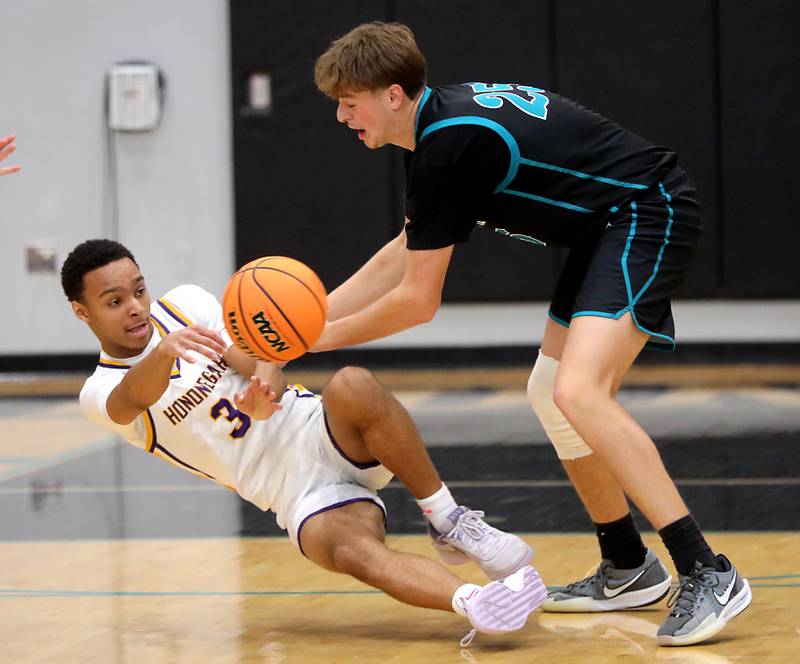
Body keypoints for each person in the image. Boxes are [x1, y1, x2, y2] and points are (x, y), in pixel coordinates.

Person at [311, 22, 750, 646]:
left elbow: (416, 301)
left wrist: (311, 340)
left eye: (348, 101)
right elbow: (401, 254)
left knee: (580, 391)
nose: (339, 116)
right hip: (605, 228)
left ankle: (707, 569)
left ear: (392, 95)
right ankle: (628, 566)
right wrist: (310, 318)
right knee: (551, 390)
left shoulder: (447, 144)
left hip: (646, 210)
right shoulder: (437, 130)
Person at [61, 238, 547, 643]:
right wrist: (165, 351)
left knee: (352, 382)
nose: (136, 307)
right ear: (83, 312)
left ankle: (447, 518)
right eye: (115, 301)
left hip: (317, 430)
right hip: (294, 494)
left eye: (139, 289)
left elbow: (260, 358)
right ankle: (477, 604)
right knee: (354, 554)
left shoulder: (185, 304)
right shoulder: (98, 392)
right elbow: (133, 397)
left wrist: (263, 390)